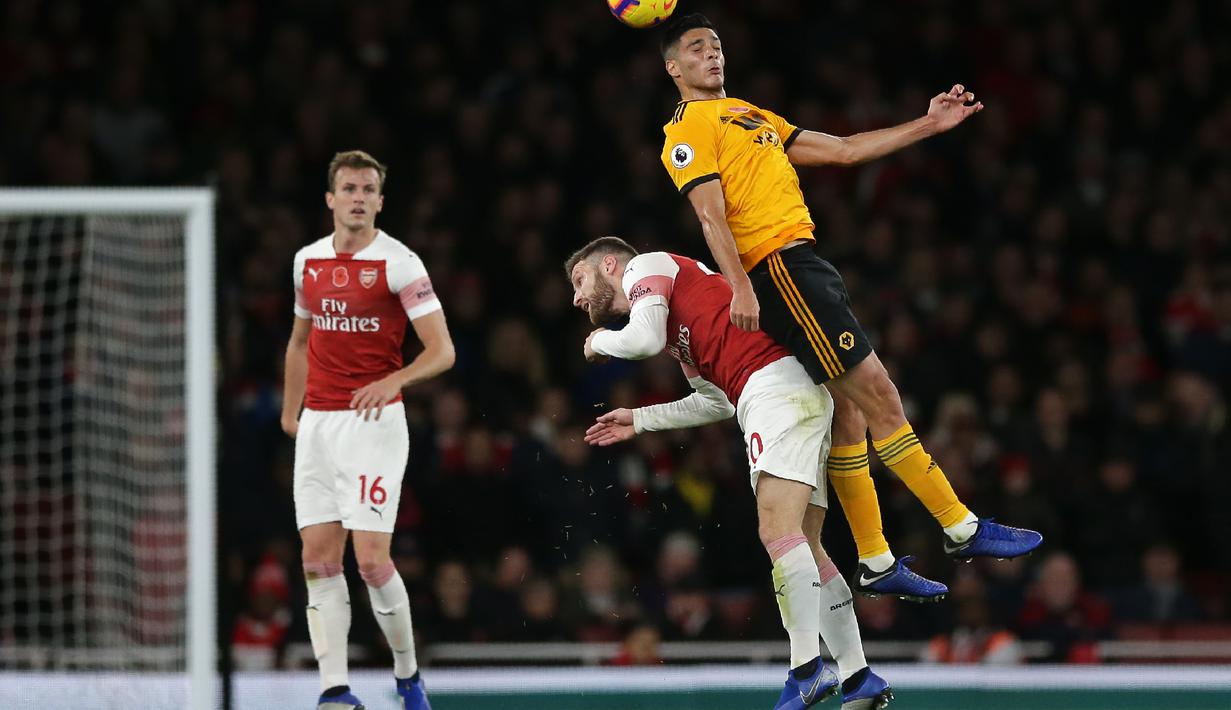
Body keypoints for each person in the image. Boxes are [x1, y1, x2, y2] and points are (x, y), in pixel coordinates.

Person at [656, 14, 1042, 593]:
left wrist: (929, 125)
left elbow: (841, 150)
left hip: (806, 265)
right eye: (695, 48)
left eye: (715, 45)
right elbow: (709, 215)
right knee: (881, 394)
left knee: (851, 412)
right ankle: (960, 527)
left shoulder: (752, 115)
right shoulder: (686, 128)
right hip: (779, 269)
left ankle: (876, 559)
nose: (712, 55)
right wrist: (741, 286)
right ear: (673, 67)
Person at [567, 236, 898, 710]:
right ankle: (858, 674)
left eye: (580, 281)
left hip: (774, 390)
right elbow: (715, 401)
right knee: (807, 542)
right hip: (784, 394)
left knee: (776, 530)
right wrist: (640, 418)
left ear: (611, 265)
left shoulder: (648, 268)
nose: (577, 298)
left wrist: (599, 341)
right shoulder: (678, 317)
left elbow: (641, 341)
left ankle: (806, 670)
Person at [281, 150, 454, 710]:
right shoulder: (306, 261)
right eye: (348, 188)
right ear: (330, 199)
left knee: (372, 560)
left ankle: (407, 677)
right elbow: (300, 342)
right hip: (319, 424)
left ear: (381, 201)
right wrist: (292, 412)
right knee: (317, 560)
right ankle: (335, 691)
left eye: (368, 189)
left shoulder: (400, 263)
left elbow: (442, 351)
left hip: (374, 424)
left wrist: (395, 380)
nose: (358, 197)